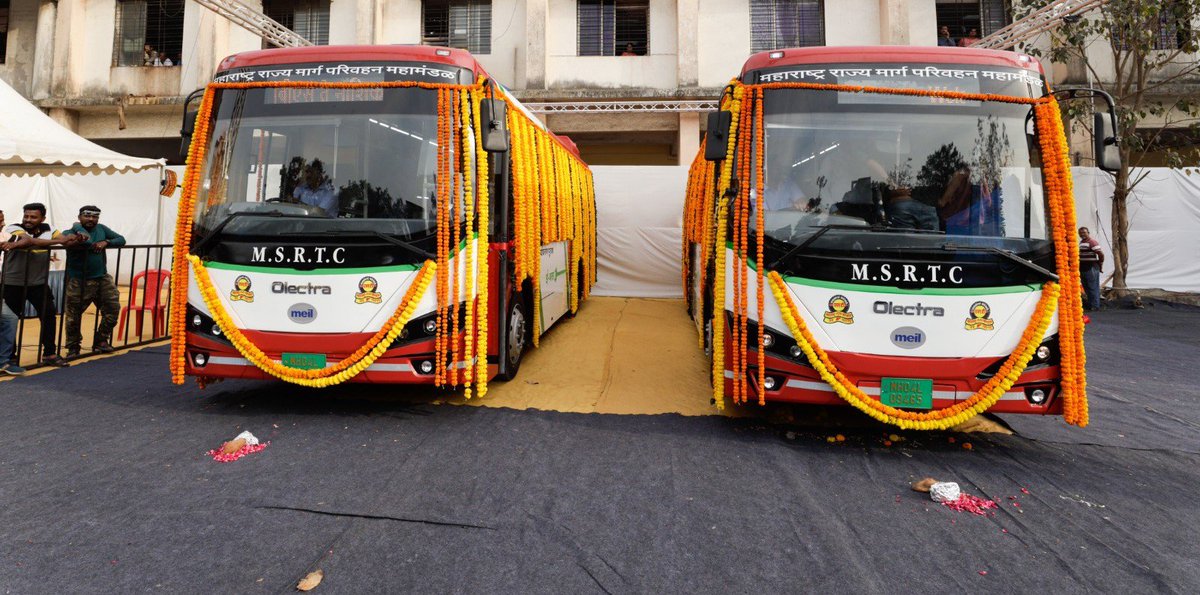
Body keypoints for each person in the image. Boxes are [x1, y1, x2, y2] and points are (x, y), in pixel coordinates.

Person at [2, 203, 83, 367]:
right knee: (10, 321)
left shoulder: (49, 229)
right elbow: (25, 241)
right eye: (26, 216)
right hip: (12, 283)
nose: (28, 220)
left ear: (43, 218)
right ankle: (9, 358)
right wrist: (57, 241)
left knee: (48, 316)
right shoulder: (13, 227)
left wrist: (76, 236)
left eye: (33, 217)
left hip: (38, 283)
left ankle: (49, 354)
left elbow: (65, 242)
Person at [61, 206, 126, 358]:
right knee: (73, 316)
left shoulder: (102, 229)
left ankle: (101, 340)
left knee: (112, 309)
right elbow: (84, 242)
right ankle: (73, 347)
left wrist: (106, 242)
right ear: (79, 217)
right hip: (78, 280)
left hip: (101, 277)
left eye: (95, 217)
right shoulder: (68, 233)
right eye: (87, 216)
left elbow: (121, 239)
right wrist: (78, 230)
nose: (91, 219)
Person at [0, 210, 27, 375]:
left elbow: (26, 240)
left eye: (3, 220)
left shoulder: (3, 234)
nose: (3, 224)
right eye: (0, 221)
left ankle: (3, 362)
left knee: (9, 318)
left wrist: (17, 242)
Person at [1079, 226, 1104, 310]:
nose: (1082, 234)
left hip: (1092, 268)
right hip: (1083, 268)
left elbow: (1101, 254)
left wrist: (1100, 264)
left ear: (1088, 233)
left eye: (1084, 232)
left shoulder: (1092, 242)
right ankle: (1091, 304)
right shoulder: (1081, 243)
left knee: (1093, 287)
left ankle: (1095, 306)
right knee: (1086, 287)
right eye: (1080, 233)